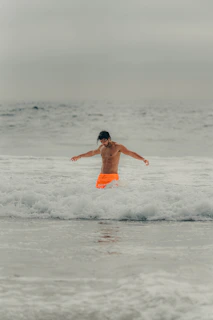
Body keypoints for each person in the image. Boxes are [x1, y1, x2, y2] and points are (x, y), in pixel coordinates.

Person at [71, 131, 149, 188]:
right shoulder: (101, 148)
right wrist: (79, 156)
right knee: (97, 196)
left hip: (112, 177)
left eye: (104, 141)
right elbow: (92, 153)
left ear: (109, 138)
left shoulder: (117, 147)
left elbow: (130, 153)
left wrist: (143, 159)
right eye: (101, 141)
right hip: (101, 176)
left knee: (111, 197)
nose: (103, 143)